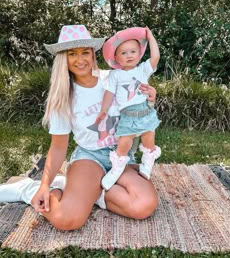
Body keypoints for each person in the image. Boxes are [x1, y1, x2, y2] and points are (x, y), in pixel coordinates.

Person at [0, 25, 158, 231]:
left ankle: (90, 191)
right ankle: (27, 189)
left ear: (93, 54)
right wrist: (44, 185)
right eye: (72, 54)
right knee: (68, 220)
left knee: (143, 205)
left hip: (120, 157)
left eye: (85, 52)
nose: (80, 59)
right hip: (89, 157)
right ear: (63, 59)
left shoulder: (114, 78)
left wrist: (150, 98)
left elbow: (139, 111)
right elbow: (58, 147)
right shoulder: (63, 96)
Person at [95, 27, 161, 190]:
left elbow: (156, 56)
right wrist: (104, 110)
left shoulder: (143, 69)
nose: (129, 55)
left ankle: (147, 161)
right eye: (123, 53)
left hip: (145, 113)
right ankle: (117, 168)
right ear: (116, 58)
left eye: (133, 51)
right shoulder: (115, 75)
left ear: (139, 53)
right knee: (124, 142)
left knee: (148, 140)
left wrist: (151, 37)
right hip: (128, 116)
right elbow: (109, 94)